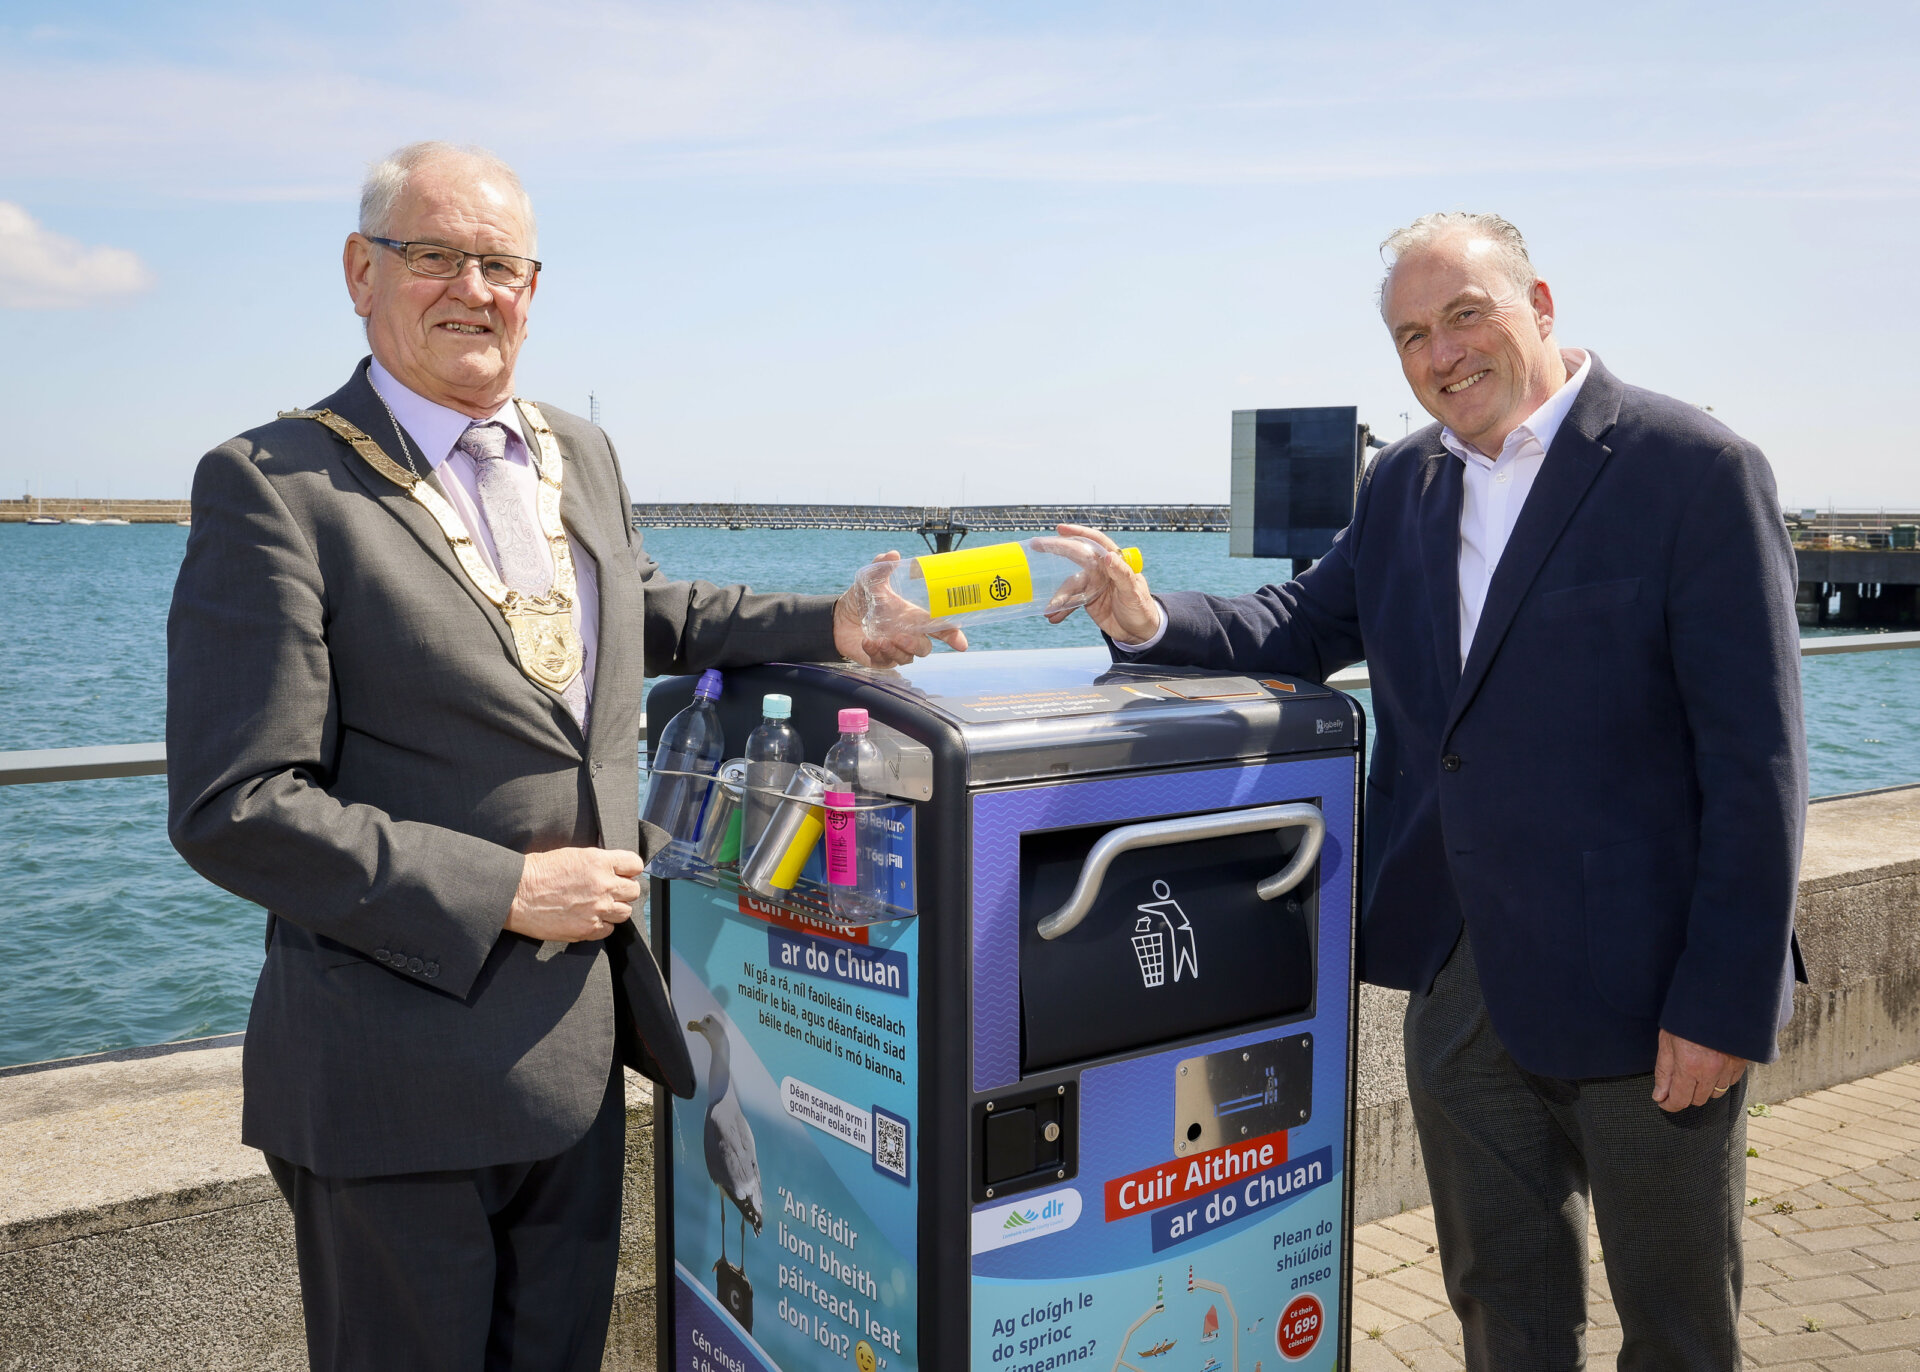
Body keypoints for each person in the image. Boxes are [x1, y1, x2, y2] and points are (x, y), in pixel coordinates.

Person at [166, 140, 953, 1371]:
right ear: (361, 271)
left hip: (579, 1060)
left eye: (501, 263)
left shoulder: (576, 450)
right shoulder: (276, 485)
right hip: (391, 1086)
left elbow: (644, 606)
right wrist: (507, 890)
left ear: (534, 288)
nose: (474, 289)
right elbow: (236, 804)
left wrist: (838, 626)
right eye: (436, 257)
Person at [1063, 212, 1805, 1369]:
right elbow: (1297, 626)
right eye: (1413, 335)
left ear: (1540, 304)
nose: (1442, 354)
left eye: (1466, 314)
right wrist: (1142, 613)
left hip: (1650, 990)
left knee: (1676, 1325)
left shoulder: (1696, 471)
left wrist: (1722, 1002)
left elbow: (1757, 766)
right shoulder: (1404, 481)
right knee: (1501, 1308)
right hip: (1461, 985)